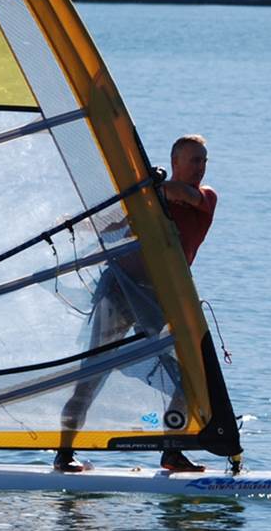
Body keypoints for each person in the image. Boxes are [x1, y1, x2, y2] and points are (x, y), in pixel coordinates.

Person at [54, 135, 217, 474]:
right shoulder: (147, 198)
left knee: (192, 377)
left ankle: (172, 451)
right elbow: (109, 222)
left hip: (163, 298)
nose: (200, 167)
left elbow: (179, 193)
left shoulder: (203, 197)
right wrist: (75, 223)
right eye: (194, 160)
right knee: (92, 372)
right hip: (122, 292)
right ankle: (64, 452)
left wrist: (150, 186)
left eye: (204, 160)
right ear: (175, 162)